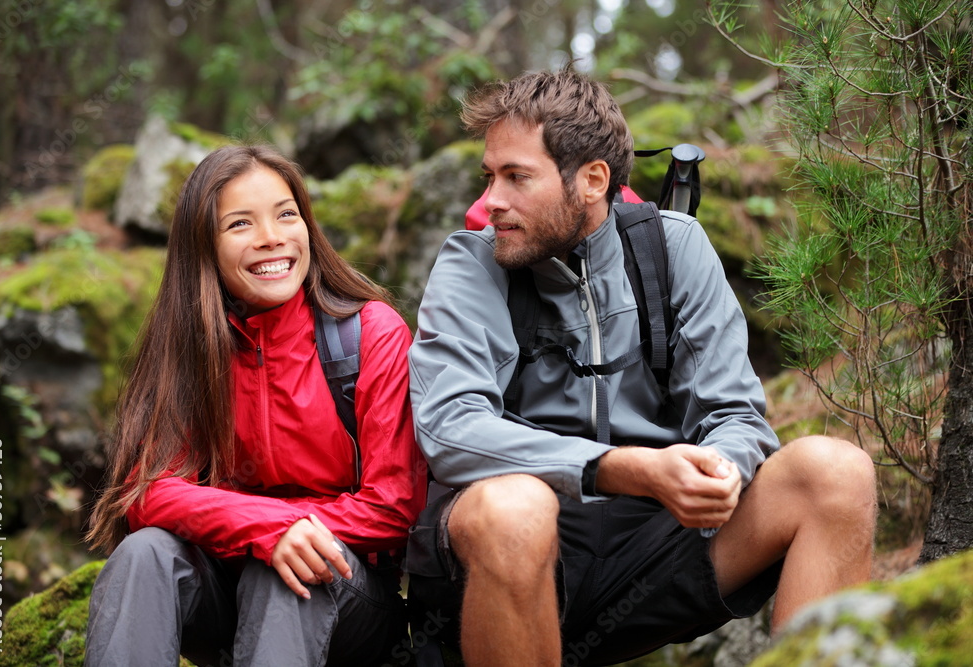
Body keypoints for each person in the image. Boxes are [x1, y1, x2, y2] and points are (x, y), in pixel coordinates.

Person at [405, 66, 876, 666]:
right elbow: (452, 428)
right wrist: (621, 468)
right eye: (490, 176)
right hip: (512, 557)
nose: (490, 201)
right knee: (512, 509)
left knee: (836, 472)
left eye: (516, 177)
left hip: (656, 549)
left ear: (593, 179)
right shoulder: (471, 265)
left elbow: (734, 412)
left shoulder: (672, 246)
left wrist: (718, 471)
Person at [84, 144, 427, 667]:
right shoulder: (191, 346)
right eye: (240, 224)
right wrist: (265, 529)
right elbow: (147, 492)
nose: (272, 237)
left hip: (348, 601)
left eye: (286, 214)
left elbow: (394, 506)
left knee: (289, 569)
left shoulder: (369, 334)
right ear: (205, 248)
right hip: (224, 593)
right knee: (143, 552)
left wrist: (285, 534)